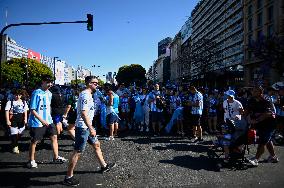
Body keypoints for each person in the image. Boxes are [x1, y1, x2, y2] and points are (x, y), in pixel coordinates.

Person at [64, 76, 116, 187]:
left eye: (97, 83)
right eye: (94, 83)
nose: (97, 85)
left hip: (88, 126)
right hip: (83, 127)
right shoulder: (85, 95)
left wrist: (110, 95)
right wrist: (91, 128)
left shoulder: (93, 94)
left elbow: (107, 104)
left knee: (96, 144)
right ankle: (68, 177)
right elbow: (83, 113)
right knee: (77, 151)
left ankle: (104, 166)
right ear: (88, 83)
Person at [27, 75, 67, 168]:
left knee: (54, 137)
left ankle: (56, 157)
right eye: (47, 82)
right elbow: (32, 109)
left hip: (48, 120)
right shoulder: (36, 93)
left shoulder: (49, 93)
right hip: (37, 122)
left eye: (51, 82)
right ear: (42, 82)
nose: (50, 84)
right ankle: (31, 160)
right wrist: (41, 120)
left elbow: (49, 107)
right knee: (35, 141)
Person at [247, 86, 279, 166]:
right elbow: (247, 111)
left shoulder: (266, 100)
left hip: (270, 124)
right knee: (268, 140)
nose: (253, 93)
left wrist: (256, 120)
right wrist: (248, 119)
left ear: (261, 92)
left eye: (255, 91)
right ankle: (273, 157)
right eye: (253, 91)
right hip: (259, 124)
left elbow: (268, 113)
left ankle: (256, 159)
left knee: (263, 141)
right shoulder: (251, 100)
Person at [5, 89, 28, 153]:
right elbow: (6, 111)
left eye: (19, 95)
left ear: (21, 95)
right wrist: (8, 121)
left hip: (21, 119)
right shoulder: (10, 102)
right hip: (13, 119)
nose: (17, 96)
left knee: (20, 133)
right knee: (14, 133)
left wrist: (25, 119)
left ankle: (14, 142)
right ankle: (15, 146)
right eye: (16, 95)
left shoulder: (24, 102)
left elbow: (25, 111)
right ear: (14, 95)